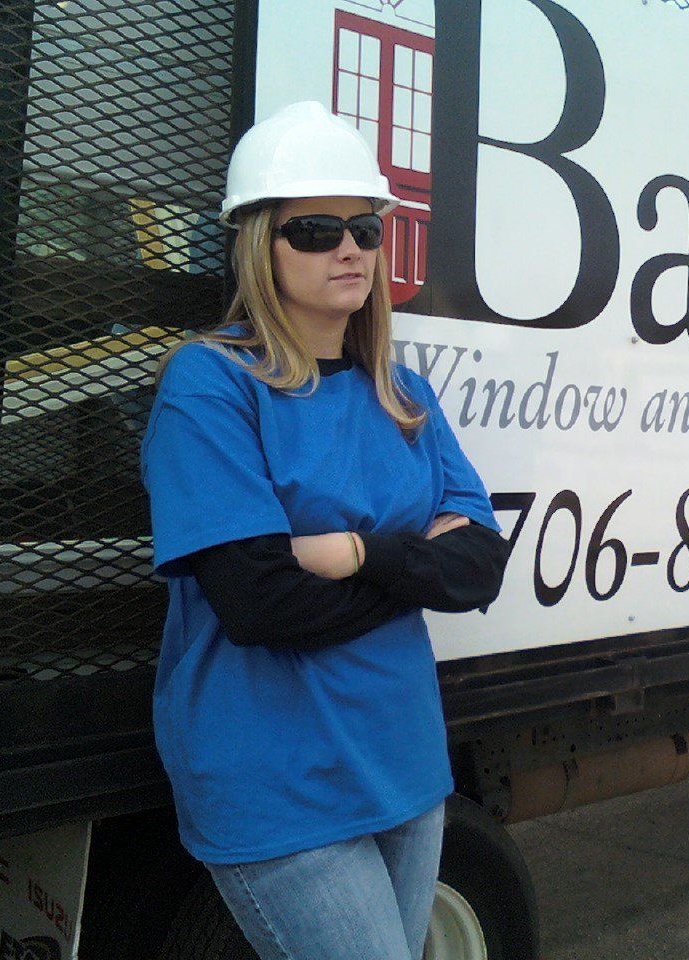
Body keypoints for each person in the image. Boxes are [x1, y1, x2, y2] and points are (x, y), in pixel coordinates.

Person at [139, 100, 511, 960]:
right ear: (258, 245)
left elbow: (481, 568)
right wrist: (416, 565)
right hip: (278, 783)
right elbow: (259, 605)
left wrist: (352, 554)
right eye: (312, 230)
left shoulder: (403, 393)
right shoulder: (213, 384)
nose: (348, 248)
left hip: (407, 766)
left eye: (364, 228)